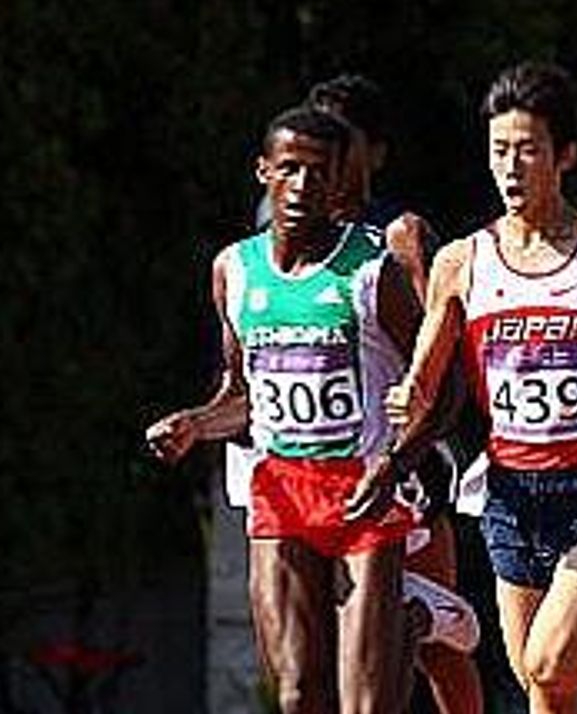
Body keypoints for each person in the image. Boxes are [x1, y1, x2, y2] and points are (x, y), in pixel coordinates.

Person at [379, 61, 577, 714]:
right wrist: (409, 396)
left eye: (527, 150)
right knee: (543, 689)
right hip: (510, 493)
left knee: (548, 665)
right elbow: (427, 371)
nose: (511, 168)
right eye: (499, 150)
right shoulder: (462, 261)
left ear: (565, 155)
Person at [145, 105, 417, 714]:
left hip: (363, 489)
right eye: (290, 168)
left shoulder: (373, 271)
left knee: (365, 704)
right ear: (263, 171)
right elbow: (241, 396)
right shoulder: (234, 271)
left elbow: (436, 382)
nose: (302, 185)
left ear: (340, 183)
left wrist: (400, 461)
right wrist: (195, 424)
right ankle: (409, 619)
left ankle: (412, 620)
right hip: (282, 490)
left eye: (319, 172)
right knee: (296, 692)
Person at [305, 71, 487, 714]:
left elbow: (443, 349)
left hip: (403, 459)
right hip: (317, 466)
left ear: (375, 153)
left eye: (343, 142)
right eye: (317, 143)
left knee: (430, 651)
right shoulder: (288, 241)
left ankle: (435, 611)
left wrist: (413, 449)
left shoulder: (400, 237)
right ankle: (431, 611)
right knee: (341, 641)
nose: (326, 159)